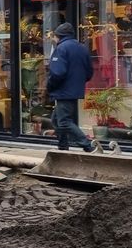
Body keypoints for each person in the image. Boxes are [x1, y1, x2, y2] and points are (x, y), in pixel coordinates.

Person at [47, 23, 113, 153]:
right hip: (74, 90)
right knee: (56, 119)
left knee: (64, 121)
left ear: (59, 36)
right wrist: (78, 82)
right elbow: (89, 72)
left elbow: (57, 73)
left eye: (54, 37)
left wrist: (50, 86)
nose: (53, 39)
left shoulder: (61, 49)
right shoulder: (82, 48)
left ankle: (89, 145)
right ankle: (62, 147)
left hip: (63, 91)